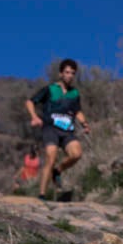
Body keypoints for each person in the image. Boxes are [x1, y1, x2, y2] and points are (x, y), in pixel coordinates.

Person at [26, 59, 90, 199]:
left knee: (77, 154)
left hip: (67, 130)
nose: (70, 75)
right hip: (50, 129)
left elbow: (77, 111)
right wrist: (34, 117)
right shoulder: (50, 89)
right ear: (61, 73)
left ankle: (58, 171)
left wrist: (84, 123)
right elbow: (30, 101)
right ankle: (42, 194)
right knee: (51, 156)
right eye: (67, 72)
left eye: (73, 73)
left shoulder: (74, 93)